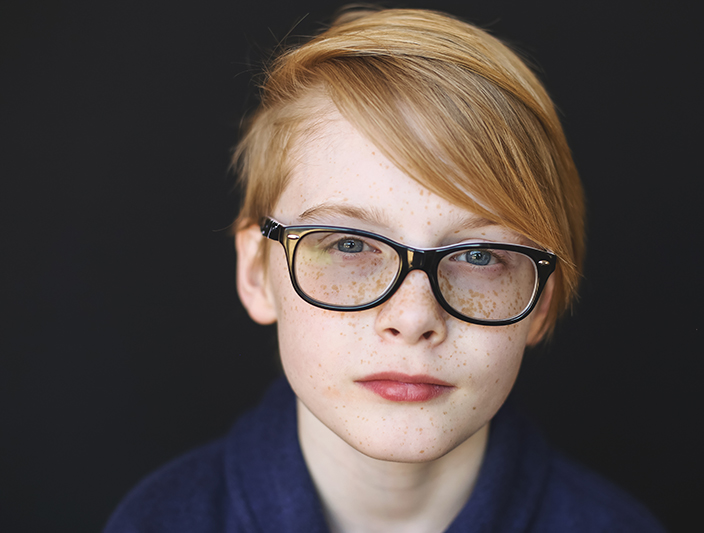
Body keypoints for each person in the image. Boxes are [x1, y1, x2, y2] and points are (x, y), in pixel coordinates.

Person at [105, 6, 665, 532]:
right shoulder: (158, 519)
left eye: (478, 256)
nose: (413, 316)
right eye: (349, 245)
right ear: (257, 272)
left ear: (541, 302)